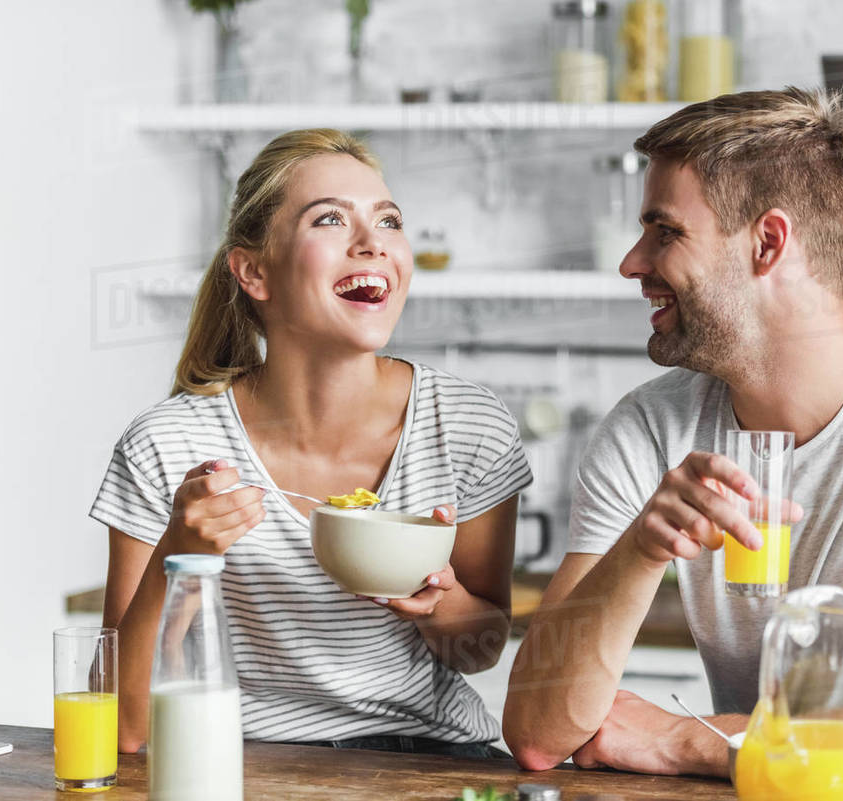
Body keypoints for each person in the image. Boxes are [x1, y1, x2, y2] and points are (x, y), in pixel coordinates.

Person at [502, 88, 843, 797]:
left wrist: (691, 738)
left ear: (768, 242)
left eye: (665, 231)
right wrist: (642, 552)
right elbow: (537, 731)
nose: (632, 262)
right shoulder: (649, 428)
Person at [91, 129, 531, 757]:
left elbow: (481, 650)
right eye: (330, 219)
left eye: (389, 220)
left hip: (426, 761)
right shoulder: (167, 443)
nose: (373, 242)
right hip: (234, 762)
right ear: (252, 271)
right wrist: (180, 554)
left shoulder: (467, 425)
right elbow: (123, 725)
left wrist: (441, 602)